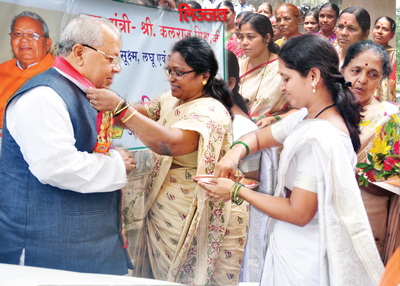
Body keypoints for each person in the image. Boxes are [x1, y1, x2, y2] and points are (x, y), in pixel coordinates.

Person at [197, 34, 384, 285]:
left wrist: (236, 191)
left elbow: (299, 212)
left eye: (286, 78)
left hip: (304, 257)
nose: (282, 87)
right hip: (293, 244)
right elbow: (261, 138)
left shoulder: (319, 138)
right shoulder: (310, 116)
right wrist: (235, 152)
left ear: (314, 76)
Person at [86, 37, 247, 285]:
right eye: (169, 71)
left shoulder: (210, 111)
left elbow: (170, 144)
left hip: (195, 215)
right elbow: (146, 113)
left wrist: (120, 109)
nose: (171, 78)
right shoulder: (173, 99)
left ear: (203, 76)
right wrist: (117, 110)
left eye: (179, 73)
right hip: (165, 214)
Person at [0, 15, 135, 274]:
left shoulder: (82, 93)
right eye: (111, 58)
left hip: (86, 249)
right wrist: (116, 164)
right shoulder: (43, 95)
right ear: (80, 53)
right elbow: (57, 166)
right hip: (48, 251)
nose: (116, 68)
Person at [341, 41, 399, 263]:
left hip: (367, 217)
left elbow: (386, 185)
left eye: (372, 74)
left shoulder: (389, 118)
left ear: (381, 80)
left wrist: (342, 170)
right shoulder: (326, 111)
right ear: (343, 70)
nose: (362, 79)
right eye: (356, 70)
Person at [0, 11, 54, 140]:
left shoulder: (59, 75)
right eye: (17, 34)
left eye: (33, 35)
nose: (24, 39)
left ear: (47, 44)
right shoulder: (2, 69)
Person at [236, 14, 287, 119]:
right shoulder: (236, 65)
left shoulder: (283, 68)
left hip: (270, 130)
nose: (244, 42)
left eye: (250, 37)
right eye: (241, 37)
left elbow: (299, 110)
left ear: (267, 38)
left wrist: (274, 119)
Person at [372, 16, 396, 101]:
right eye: (377, 27)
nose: (379, 31)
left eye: (385, 29)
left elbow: (392, 87)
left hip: (382, 101)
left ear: (392, 35)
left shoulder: (393, 55)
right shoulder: (364, 51)